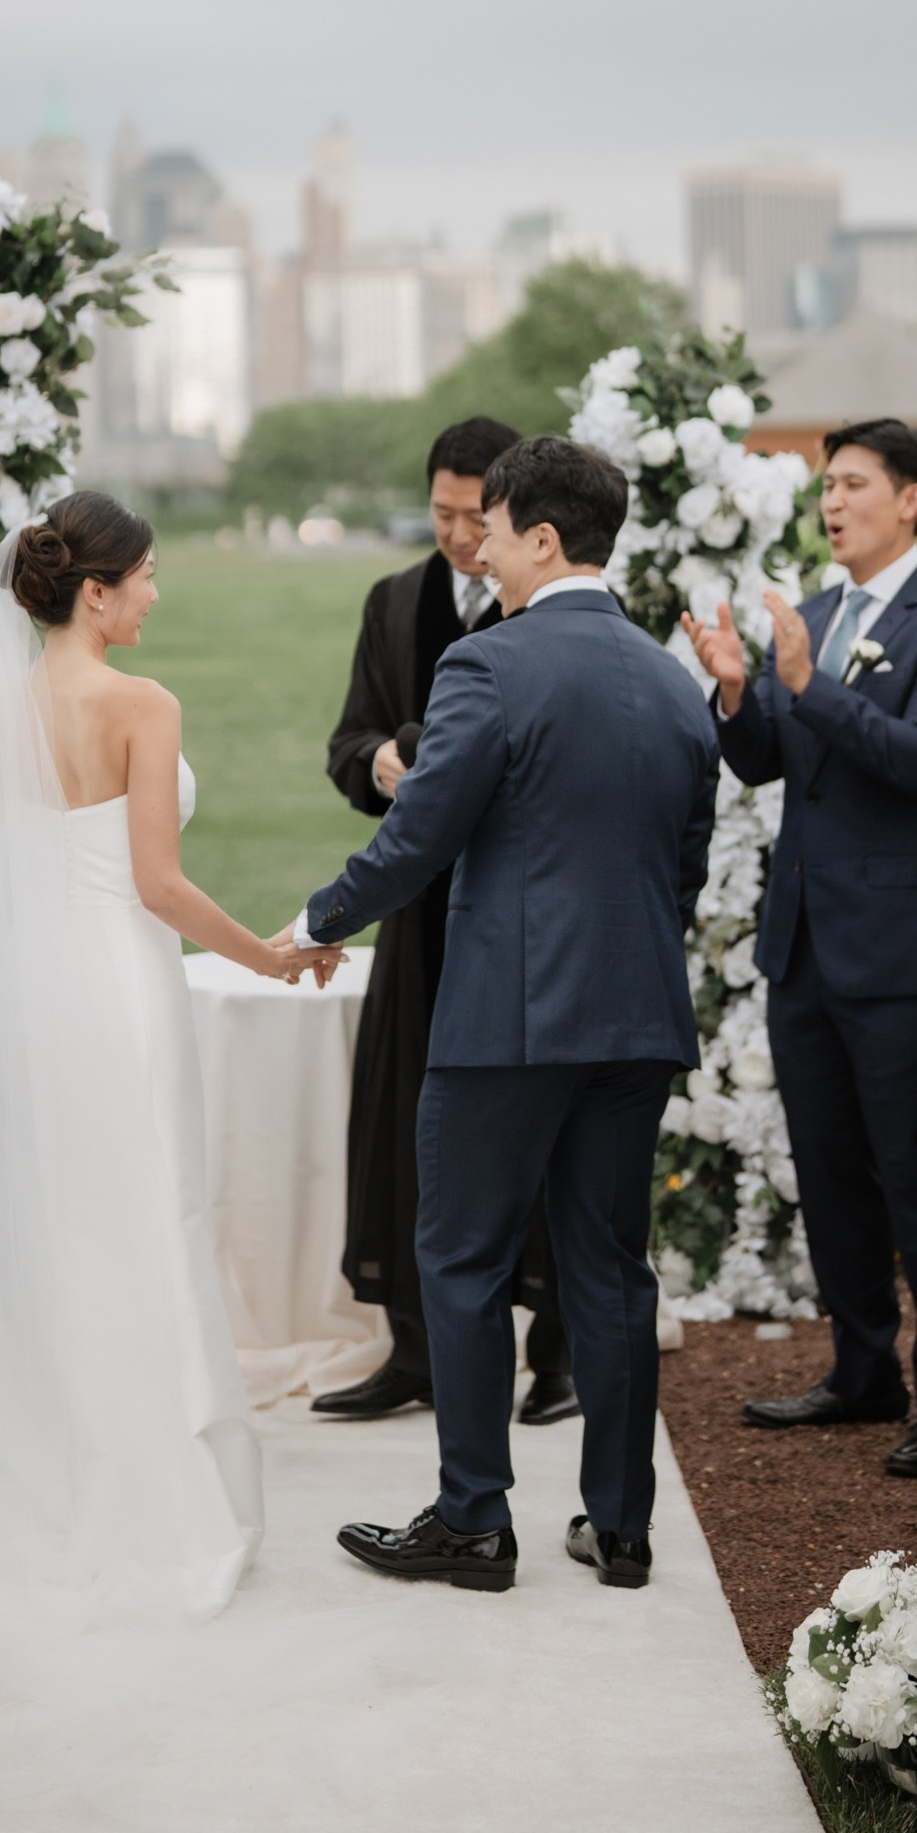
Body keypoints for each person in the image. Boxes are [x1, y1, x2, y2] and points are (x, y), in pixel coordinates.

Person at [0, 494, 332, 1662]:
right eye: (144, 577)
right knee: (144, 1221)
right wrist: (269, 957)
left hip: (42, 1005)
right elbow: (159, 887)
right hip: (121, 998)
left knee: (59, 1234)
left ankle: (40, 1498)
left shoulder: (4, 711)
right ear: (95, 591)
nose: (155, 594)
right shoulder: (142, 704)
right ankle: (152, 1509)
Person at [291, 437, 718, 1592]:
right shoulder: (676, 683)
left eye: (490, 523)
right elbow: (685, 868)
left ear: (542, 537)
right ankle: (619, 1528)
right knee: (610, 1271)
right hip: (635, 1020)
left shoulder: (486, 666)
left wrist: (318, 919)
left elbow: (418, 837)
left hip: (506, 1023)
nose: (471, 543)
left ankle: (474, 1520)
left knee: (463, 1260)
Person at [684, 417, 917, 1479]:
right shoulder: (810, 615)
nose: (831, 503)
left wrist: (811, 687)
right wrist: (737, 689)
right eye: (826, 487)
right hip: (805, 945)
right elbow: (767, 761)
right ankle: (862, 1372)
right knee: (825, 1172)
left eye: (853, 484)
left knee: (915, 1174)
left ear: (910, 499)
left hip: (901, 949)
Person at [312, 416, 574, 1428]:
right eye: (441, 513)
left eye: (476, 517)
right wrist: (377, 763)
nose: (460, 536)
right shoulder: (392, 604)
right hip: (418, 916)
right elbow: (346, 743)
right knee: (403, 1123)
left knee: (537, 1128)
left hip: (520, 913)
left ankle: (555, 1355)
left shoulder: (545, 610)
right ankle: (413, 1350)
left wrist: (420, 742)